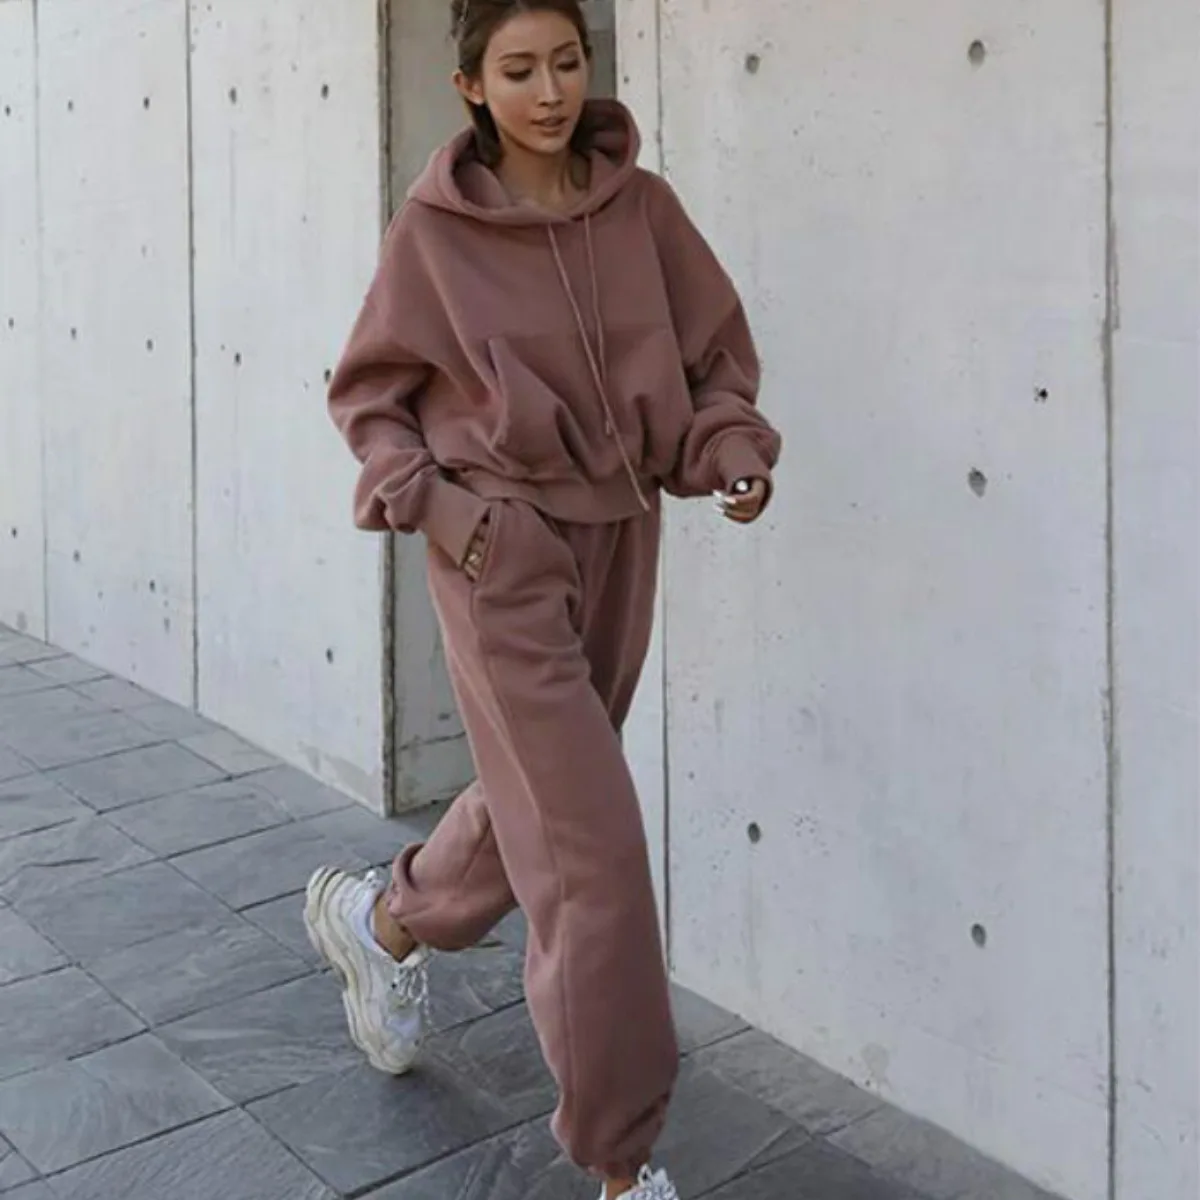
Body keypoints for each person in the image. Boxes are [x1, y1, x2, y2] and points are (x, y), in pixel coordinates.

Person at [305, 1, 782, 1196]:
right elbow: (369, 399)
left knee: (544, 808)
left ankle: (386, 922)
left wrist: (729, 448)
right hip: (499, 558)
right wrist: (454, 519)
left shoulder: (644, 209)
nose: (551, 89)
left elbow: (711, 358)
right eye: (518, 70)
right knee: (593, 853)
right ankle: (623, 1164)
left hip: (622, 542)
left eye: (567, 61)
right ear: (470, 86)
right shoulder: (434, 233)